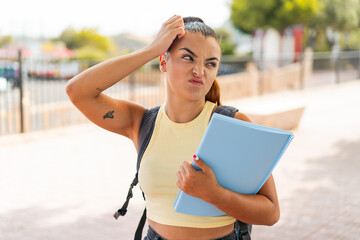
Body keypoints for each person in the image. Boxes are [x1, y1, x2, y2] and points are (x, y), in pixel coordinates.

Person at [66, 15, 280, 240]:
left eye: (211, 63)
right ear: (163, 62)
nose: (199, 71)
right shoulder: (141, 123)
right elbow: (77, 91)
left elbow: (271, 212)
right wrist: (152, 49)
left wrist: (215, 194)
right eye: (188, 57)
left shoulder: (234, 124)